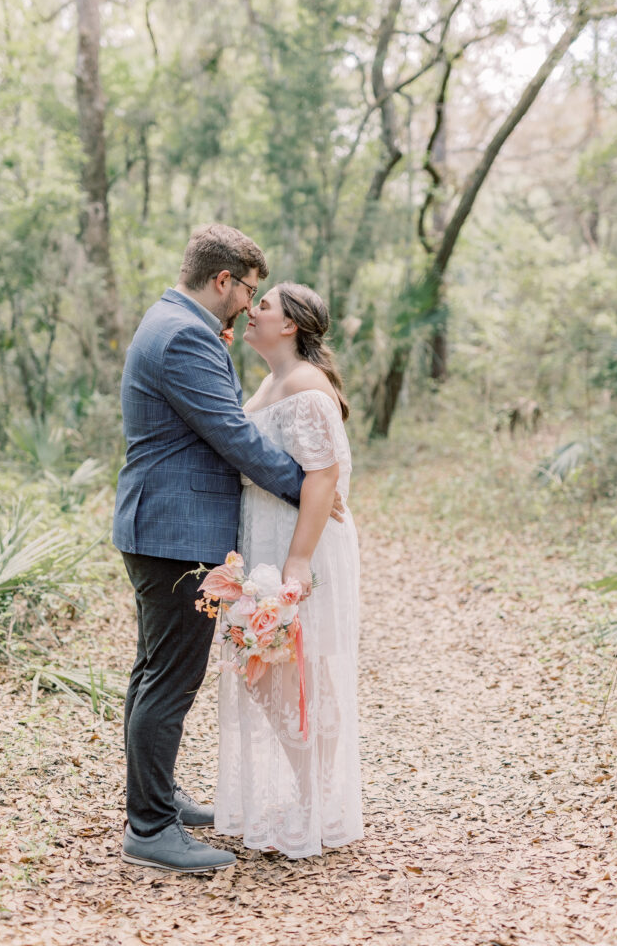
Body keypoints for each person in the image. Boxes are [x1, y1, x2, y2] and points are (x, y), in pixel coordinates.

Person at [113, 225, 342, 874]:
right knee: (169, 679)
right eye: (248, 290)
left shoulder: (169, 320)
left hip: (158, 528)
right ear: (223, 280)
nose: (249, 304)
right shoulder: (184, 334)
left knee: (152, 671)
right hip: (174, 533)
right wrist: (312, 489)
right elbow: (233, 436)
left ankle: (156, 799)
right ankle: (150, 828)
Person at [215, 282, 363, 859]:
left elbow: (322, 476)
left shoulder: (306, 385)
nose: (253, 312)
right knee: (265, 670)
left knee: (294, 672)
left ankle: (317, 795)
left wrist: (297, 561)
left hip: (299, 543)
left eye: (265, 306)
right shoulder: (269, 382)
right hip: (266, 540)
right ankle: (313, 788)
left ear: (291, 325)